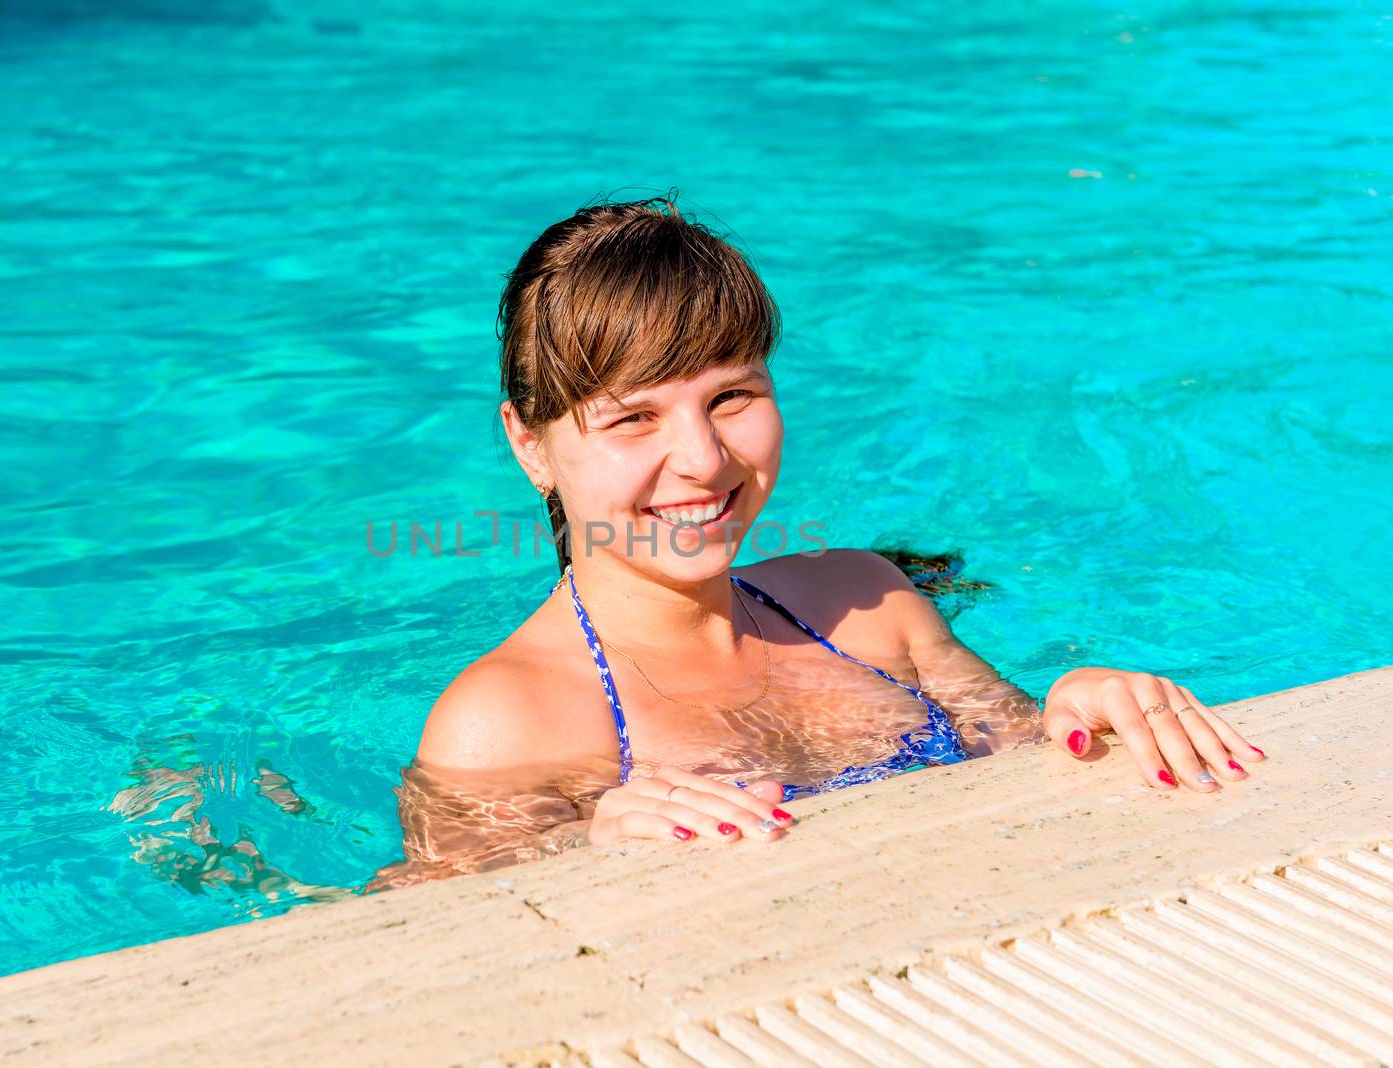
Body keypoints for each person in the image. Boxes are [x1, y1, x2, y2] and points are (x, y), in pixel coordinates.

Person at [365, 194, 1265, 892]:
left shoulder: (872, 608)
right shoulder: (504, 722)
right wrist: (578, 852)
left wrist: (1081, 708)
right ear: (532, 446)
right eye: (633, 418)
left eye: (732, 398)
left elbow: (1029, 764)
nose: (703, 459)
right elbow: (423, 948)